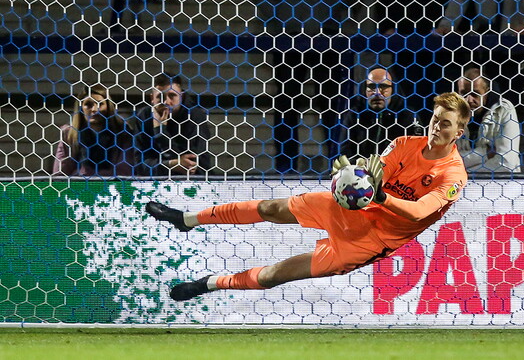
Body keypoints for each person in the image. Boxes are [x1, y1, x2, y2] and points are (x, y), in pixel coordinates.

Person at [145, 92, 470, 301]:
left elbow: (419, 211)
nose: (436, 127)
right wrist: (352, 177)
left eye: (445, 124)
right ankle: (186, 219)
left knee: (275, 275)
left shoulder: (453, 174)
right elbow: (375, 173)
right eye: (434, 119)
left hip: (370, 240)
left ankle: (210, 283)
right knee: (271, 207)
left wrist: (379, 195)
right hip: (353, 209)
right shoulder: (405, 143)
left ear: (458, 132)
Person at [130, 73, 212, 175]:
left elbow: (192, 167)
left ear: (181, 96)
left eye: (172, 95)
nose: (166, 102)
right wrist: (171, 164)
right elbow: (140, 166)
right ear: (152, 98)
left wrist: (161, 132)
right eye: (160, 96)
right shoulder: (144, 116)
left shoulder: (194, 116)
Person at [335, 66, 424, 159]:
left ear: (393, 89)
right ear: (364, 89)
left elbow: (417, 153)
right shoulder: (354, 115)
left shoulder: (408, 116)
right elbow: (344, 153)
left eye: (383, 86)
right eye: (372, 87)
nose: (377, 92)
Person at [52, 84, 135, 177]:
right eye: (88, 104)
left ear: (108, 106)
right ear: (81, 108)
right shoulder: (69, 134)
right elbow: (60, 172)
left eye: (100, 104)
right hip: (79, 188)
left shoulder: (123, 132)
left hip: (113, 187)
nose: (95, 109)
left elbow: (125, 170)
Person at [454, 67, 521, 173]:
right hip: (462, 185)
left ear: (486, 91)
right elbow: (446, 161)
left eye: (474, 93)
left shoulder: (504, 110)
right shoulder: (452, 113)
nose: (469, 100)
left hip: (503, 184)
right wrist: (484, 153)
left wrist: (464, 172)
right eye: (464, 94)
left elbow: (507, 164)